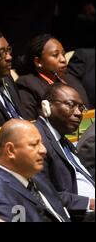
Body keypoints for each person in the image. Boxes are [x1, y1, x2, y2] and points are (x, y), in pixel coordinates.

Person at [0, 119, 70, 222]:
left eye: (41, 143)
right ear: (10, 150)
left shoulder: (35, 177)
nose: (43, 150)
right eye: (34, 144)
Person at [35, 84, 95, 218]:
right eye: (70, 105)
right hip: (75, 214)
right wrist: (89, 203)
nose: (78, 113)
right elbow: (45, 194)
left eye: (81, 108)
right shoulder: (37, 140)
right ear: (47, 107)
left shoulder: (62, 139)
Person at [16, 34, 89, 120]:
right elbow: (29, 121)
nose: (63, 59)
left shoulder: (70, 79)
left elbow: (87, 110)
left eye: (63, 54)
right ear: (38, 61)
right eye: (55, 55)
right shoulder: (27, 84)